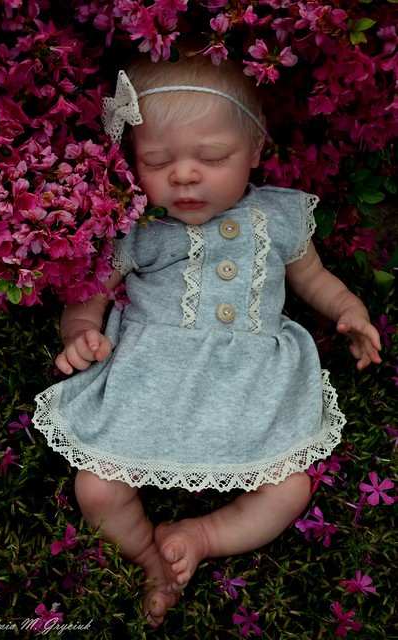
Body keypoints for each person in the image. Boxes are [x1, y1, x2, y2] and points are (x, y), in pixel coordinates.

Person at [34, 46, 382, 627]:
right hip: (150, 380)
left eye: (212, 156)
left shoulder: (280, 216)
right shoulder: (136, 227)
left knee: (290, 489)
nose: (185, 174)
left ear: (254, 152)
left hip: (248, 385)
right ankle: (152, 558)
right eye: (156, 162)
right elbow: (89, 293)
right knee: (96, 489)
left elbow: (316, 280)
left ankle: (201, 535)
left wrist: (350, 311)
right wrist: (81, 332)